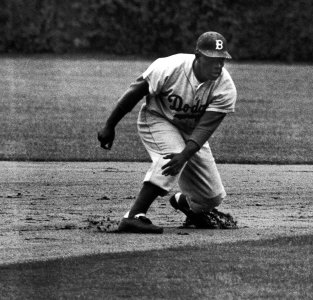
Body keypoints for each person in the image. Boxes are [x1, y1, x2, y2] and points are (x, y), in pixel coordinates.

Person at [97, 31, 237, 234]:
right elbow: (135, 92)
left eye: (222, 59)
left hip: (191, 132)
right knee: (171, 154)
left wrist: (185, 155)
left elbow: (205, 127)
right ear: (197, 56)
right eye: (212, 59)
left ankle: (185, 203)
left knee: (212, 197)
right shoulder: (170, 67)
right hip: (157, 119)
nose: (219, 65)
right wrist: (110, 125)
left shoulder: (225, 88)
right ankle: (133, 216)